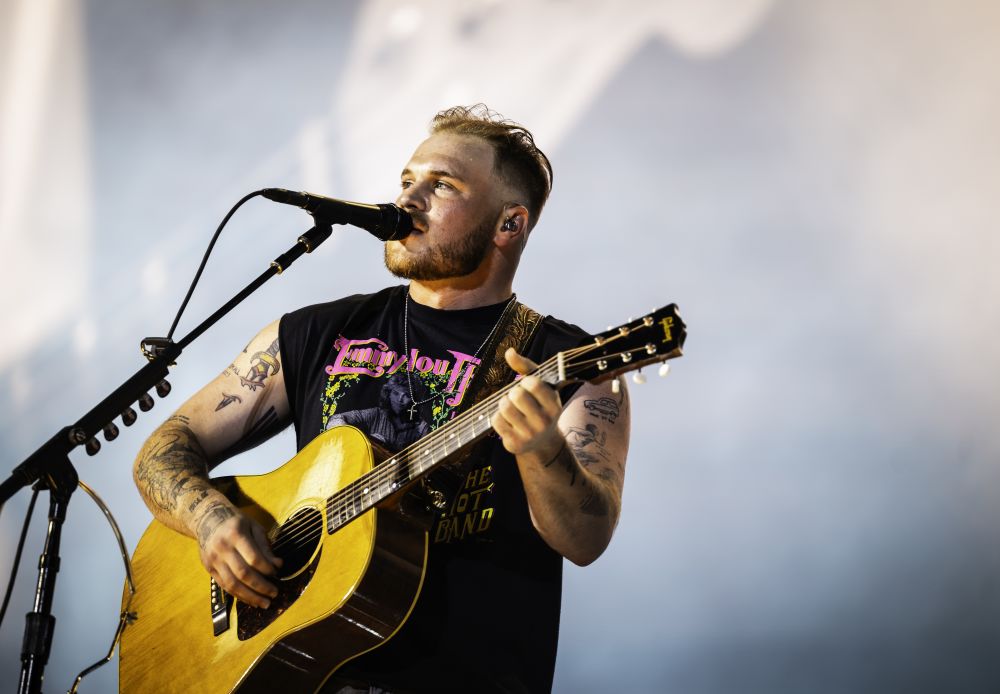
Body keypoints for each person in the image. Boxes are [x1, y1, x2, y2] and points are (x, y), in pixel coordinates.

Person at [132, 104, 631, 693]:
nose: (409, 199)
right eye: (406, 180)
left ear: (509, 225)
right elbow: (164, 447)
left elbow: (587, 538)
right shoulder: (313, 334)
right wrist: (211, 519)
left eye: (442, 185)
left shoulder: (569, 363)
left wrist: (543, 449)